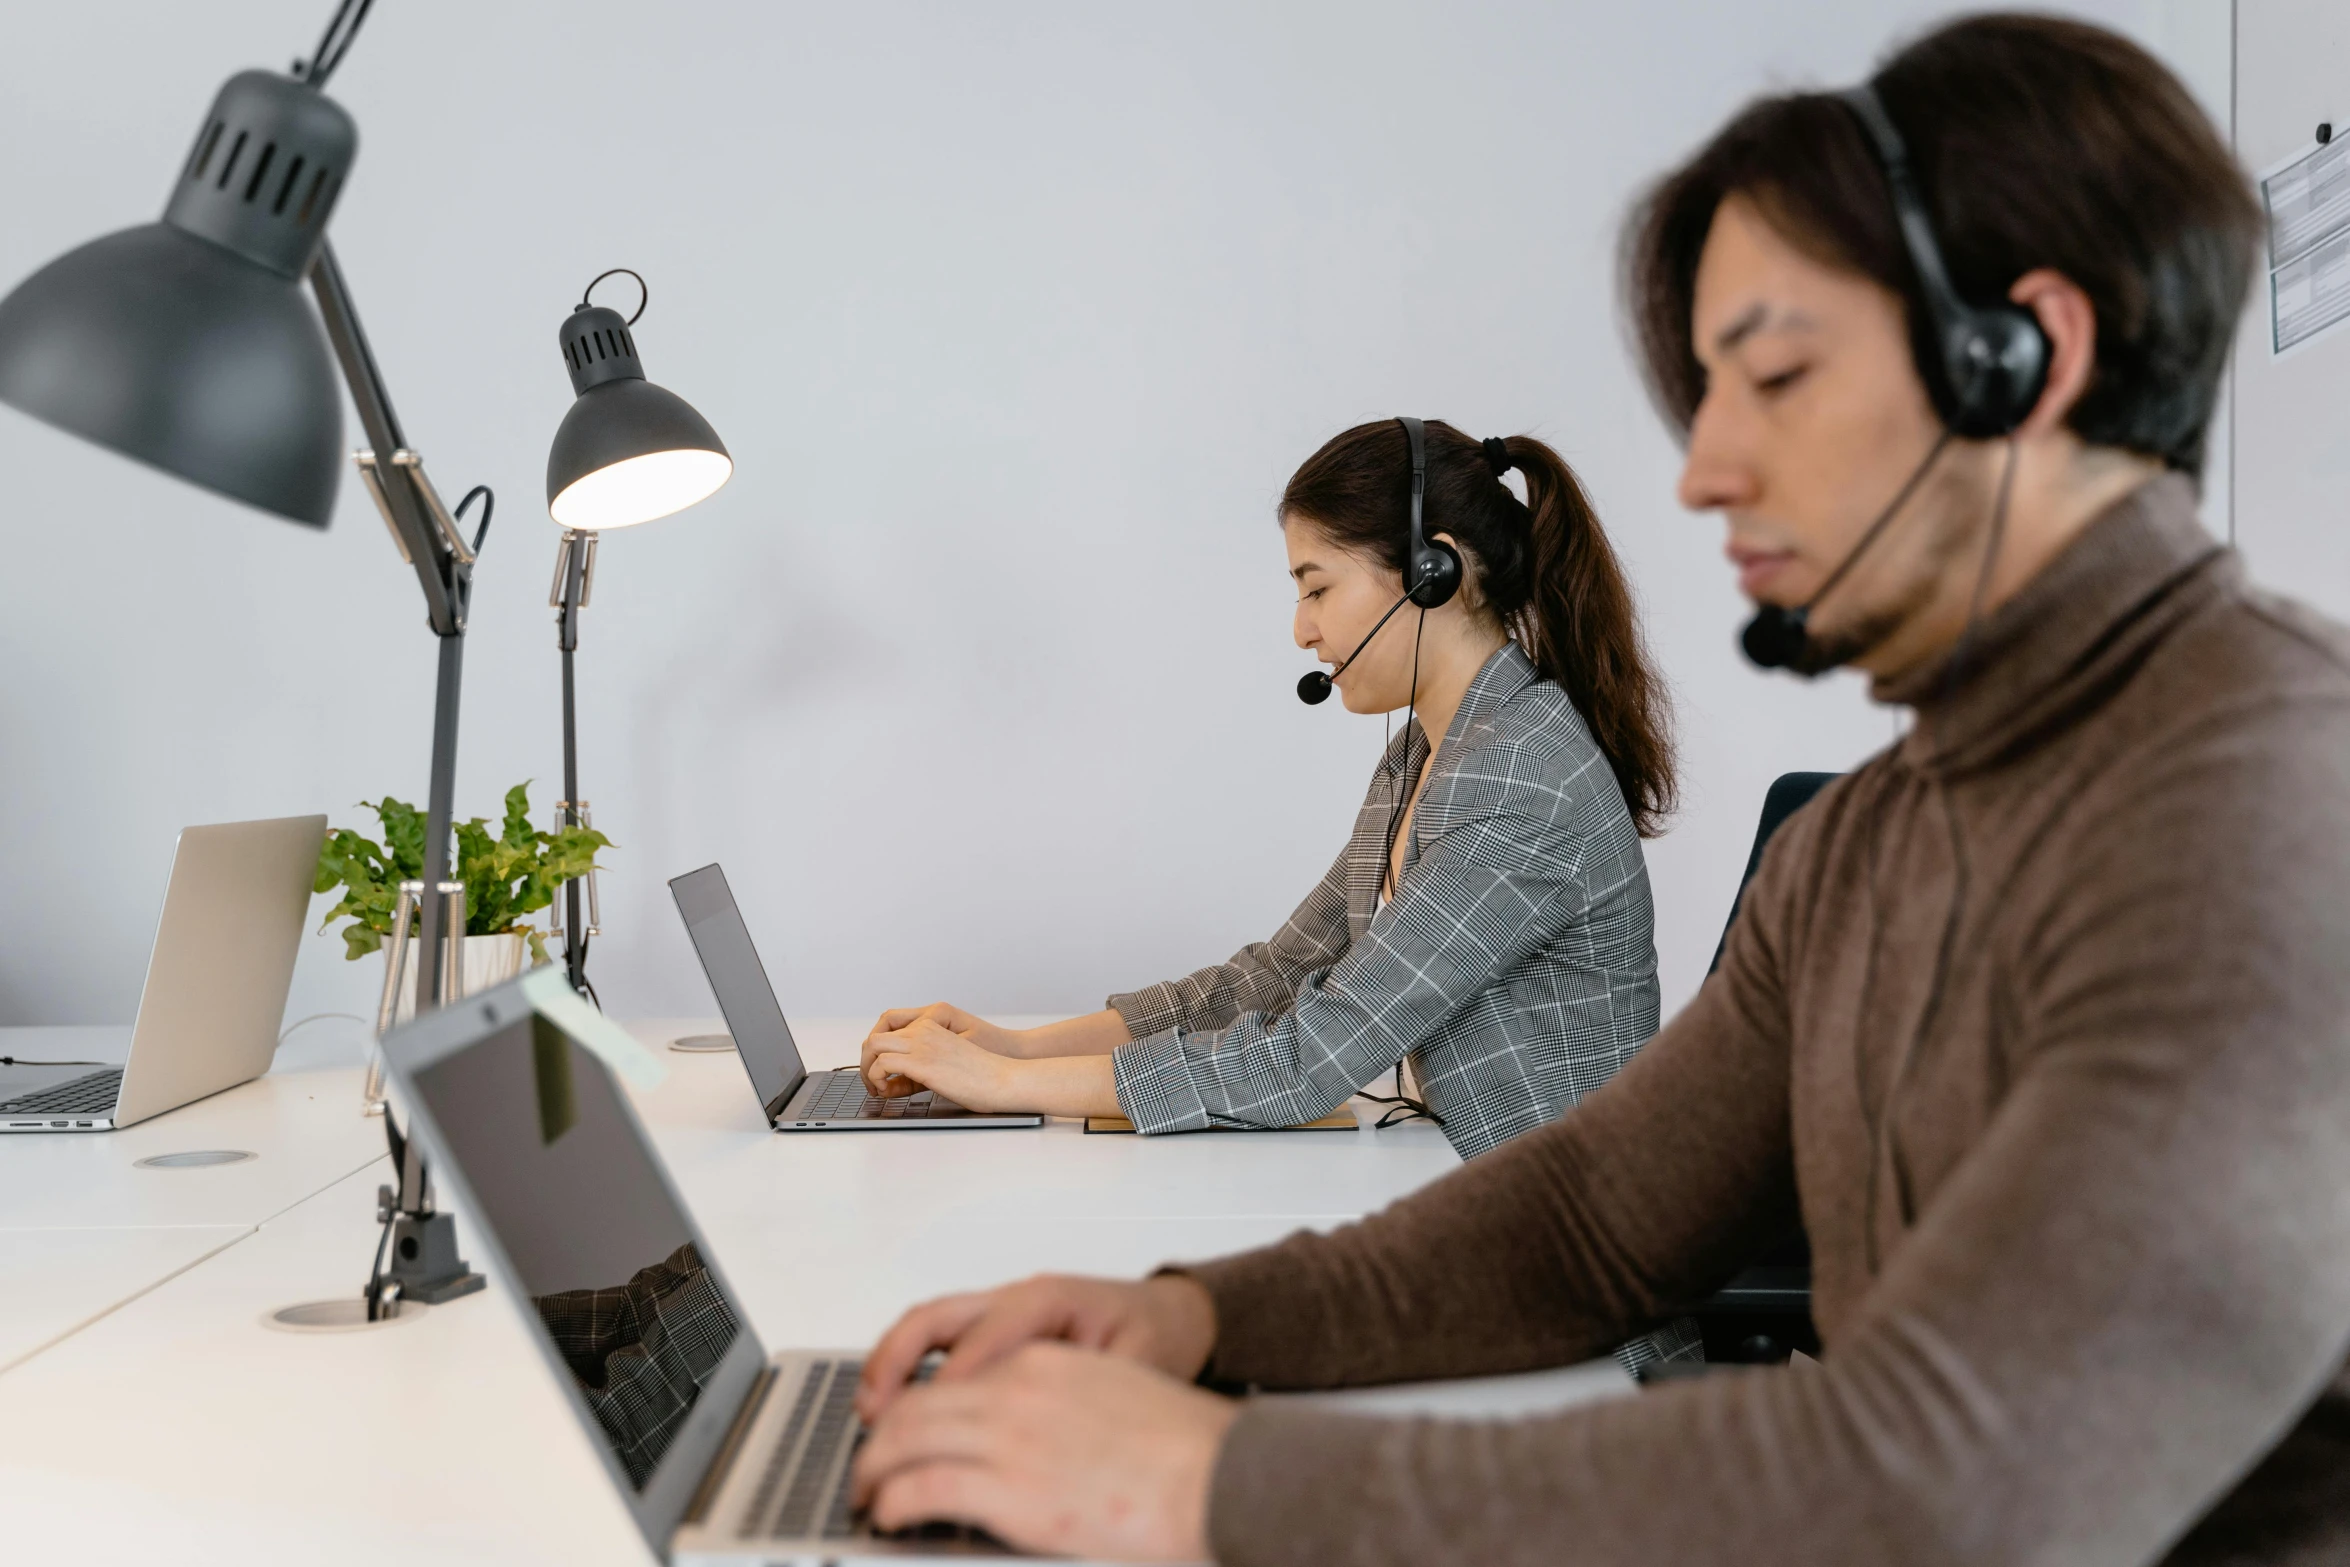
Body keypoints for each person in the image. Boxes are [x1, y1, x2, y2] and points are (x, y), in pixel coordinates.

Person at [841, 15, 2350, 1565]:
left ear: (2022, 357)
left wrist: (1204, 1481)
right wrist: (1191, 1316)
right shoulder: (1878, 833)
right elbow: (1586, 1219)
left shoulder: (2266, 806)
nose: (1702, 469)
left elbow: (1943, 1481)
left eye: (1772, 375)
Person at [858, 423, 1677, 1172]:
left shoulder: (1517, 777)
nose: (1302, 629)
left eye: (1318, 589)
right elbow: (1275, 979)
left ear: (1435, 572)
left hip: (1565, 1267)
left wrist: (1001, 1083)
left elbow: (1307, 1061)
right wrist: (1017, 1049)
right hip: (1468, 1205)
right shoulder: (1424, 755)